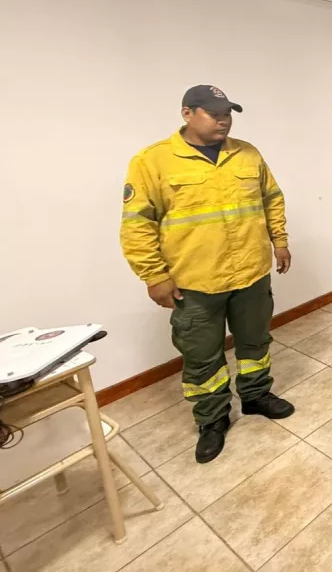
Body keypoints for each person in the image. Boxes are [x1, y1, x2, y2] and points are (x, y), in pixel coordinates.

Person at [119, 85, 295, 464]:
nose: (223, 120)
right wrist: (154, 275)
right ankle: (212, 419)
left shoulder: (247, 153)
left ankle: (256, 395)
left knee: (255, 343)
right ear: (187, 113)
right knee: (201, 357)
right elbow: (137, 224)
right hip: (195, 282)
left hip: (251, 273)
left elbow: (271, 198)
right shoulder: (153, 161)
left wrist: (279, 240)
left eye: (227, 113)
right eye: (214, 113)